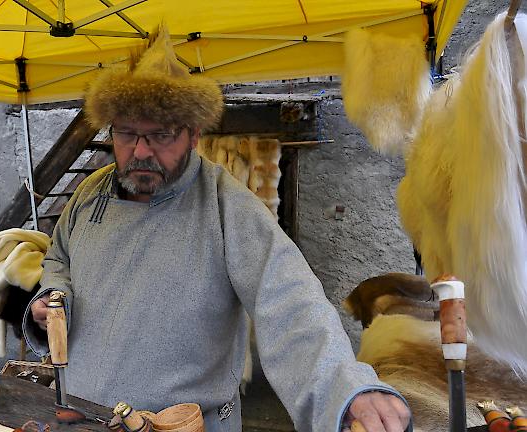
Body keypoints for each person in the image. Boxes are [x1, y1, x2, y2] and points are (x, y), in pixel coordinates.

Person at [23, 25, 412, 432]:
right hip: (80, 418)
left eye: (160, 134)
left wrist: (347, 389)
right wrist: (53, 295)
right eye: (127, 133)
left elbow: (289, 301)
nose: (140, 150)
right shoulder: (89, 194)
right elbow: (58, 256)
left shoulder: (228, 207)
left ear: (193, 134)